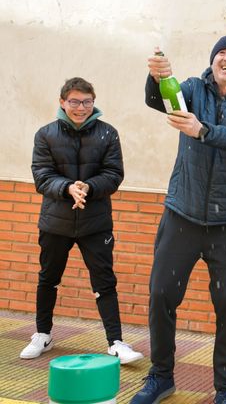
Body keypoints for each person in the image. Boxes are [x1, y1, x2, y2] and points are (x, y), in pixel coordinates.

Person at [131, 36, 226, 404]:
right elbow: (158, 100)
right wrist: (157, 77)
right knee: (161, 294)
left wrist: (202, 130)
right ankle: (161, 376)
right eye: (222, 53)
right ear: (213, 61)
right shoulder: (192, 88)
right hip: (183, 215)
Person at [23, 77, 143, 365]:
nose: (81, 107)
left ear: (94, 102)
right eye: (75, 102)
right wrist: (68, 188)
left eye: (87, 102)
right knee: (48, 279)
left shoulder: (107, 134)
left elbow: (114, 174)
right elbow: (42, 176)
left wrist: (87, 187)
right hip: (55, 222)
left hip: (95, 223)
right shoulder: (46, 135)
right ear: (62, 102)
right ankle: (42, 334)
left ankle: (115, 342)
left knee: (105, 282)